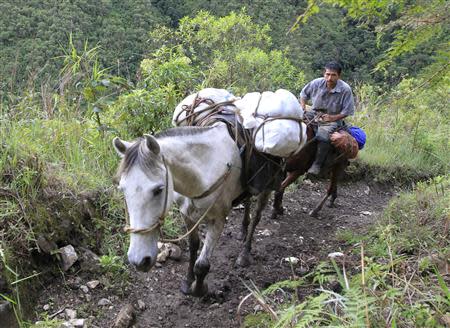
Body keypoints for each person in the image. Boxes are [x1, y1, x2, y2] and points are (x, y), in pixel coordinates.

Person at [299, 61, 355, 175]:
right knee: (298, 125)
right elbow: (303, 95)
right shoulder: (316, 83)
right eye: (327, 74)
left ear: (339, 76)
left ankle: (317, 164)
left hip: (333, 118)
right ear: (324, 73)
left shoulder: (345, 89)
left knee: (323, 135)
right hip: (314, 113)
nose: (329, 78)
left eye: (333, 75)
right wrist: (303, 107)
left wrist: (332, 118)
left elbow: (347, 111)